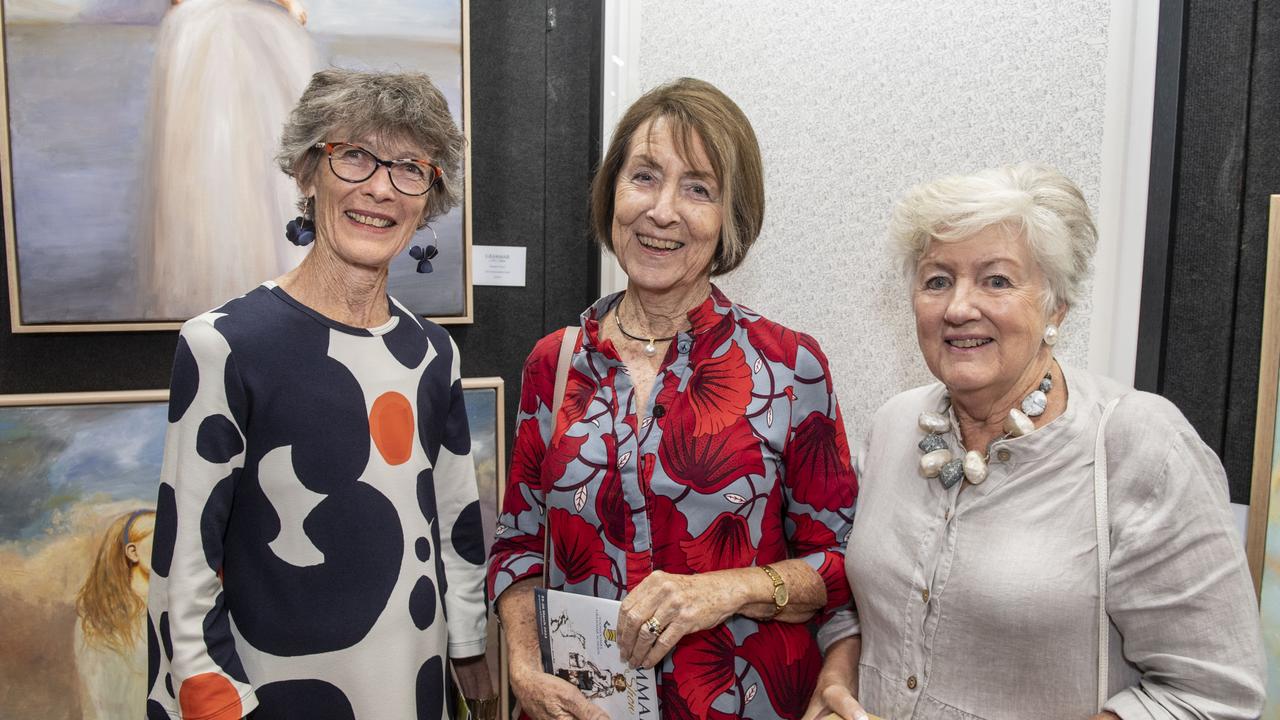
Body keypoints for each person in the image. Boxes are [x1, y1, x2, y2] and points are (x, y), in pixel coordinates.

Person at [804, 163, 1265, 720]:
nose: (957, 307)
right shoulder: (896, 424)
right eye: (937, 280)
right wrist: (836, 678)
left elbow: (1213, 695)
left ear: (1056, 306)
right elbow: (858, 600)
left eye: (996, 280)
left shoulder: (1139, 446)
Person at [488, 77, 858, 720]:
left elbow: (839, 565)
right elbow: (519, 545)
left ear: (730, 217)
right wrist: (523, 667)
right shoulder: (554, 362)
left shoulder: (789, 366)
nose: (662, 211)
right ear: (612, 194)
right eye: (644, 176)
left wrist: (726, 590)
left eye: (698, 188)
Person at [146, 69, 492, 720]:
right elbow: (182, 585)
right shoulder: (224, 345)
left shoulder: (432, 355)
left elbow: (455, 528)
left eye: (409, 168)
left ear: (429, 198)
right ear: (309, 170)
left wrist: (469, 648)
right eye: (354, 155)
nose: (380, 189)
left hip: (416, 692)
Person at [138, 0, 317, 319]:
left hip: (213, 29)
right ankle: (246, 286)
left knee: (240, 159)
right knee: (229, 156)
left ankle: (223, 287)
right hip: (224, 31)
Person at [74, 509, 155, 719]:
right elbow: (98, 698)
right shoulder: (99, 619)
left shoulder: (173, 607)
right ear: (132, 552)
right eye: (160, 539)